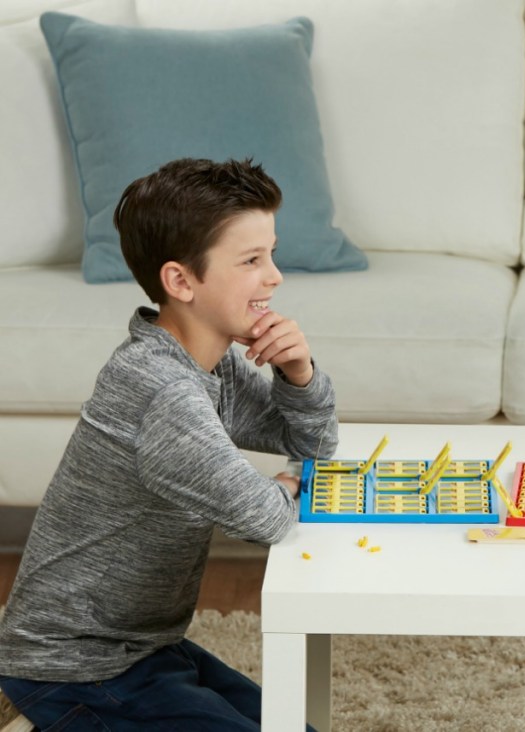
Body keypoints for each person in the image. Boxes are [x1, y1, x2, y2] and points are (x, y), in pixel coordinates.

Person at [0, 158, 338, 730]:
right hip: (75, 666)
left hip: (145, 648)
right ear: (181, 281)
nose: (275, 276)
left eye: (271, 255)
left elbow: (309, 441)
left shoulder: (211, 366)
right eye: (252, 260)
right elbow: (268, 518)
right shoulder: (162, 391)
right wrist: (290, 481)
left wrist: (298, 374)